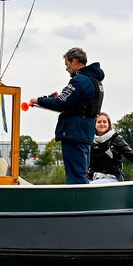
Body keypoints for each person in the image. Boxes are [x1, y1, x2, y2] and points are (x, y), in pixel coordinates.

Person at [29, 47, 104, 184]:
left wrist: (39, 100)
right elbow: (79, 105)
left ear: (74, 61)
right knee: (82, 172)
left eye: (67, 64)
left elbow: (61, 104)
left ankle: (77, 204)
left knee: (75, 175)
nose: (66, 68)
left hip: (74, 133)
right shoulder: (96, 82)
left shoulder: (79, 81)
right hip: (86, 133)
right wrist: (60, 99)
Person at [89, 113, 133, 182]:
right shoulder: (89, 140)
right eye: (99, 122)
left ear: (109, 124)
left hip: (112, 177)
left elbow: (130, 153)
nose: (102, 124)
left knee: (92, 186)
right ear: (94, 124)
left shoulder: (116, 139)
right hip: (92, 177)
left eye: (104, 122)